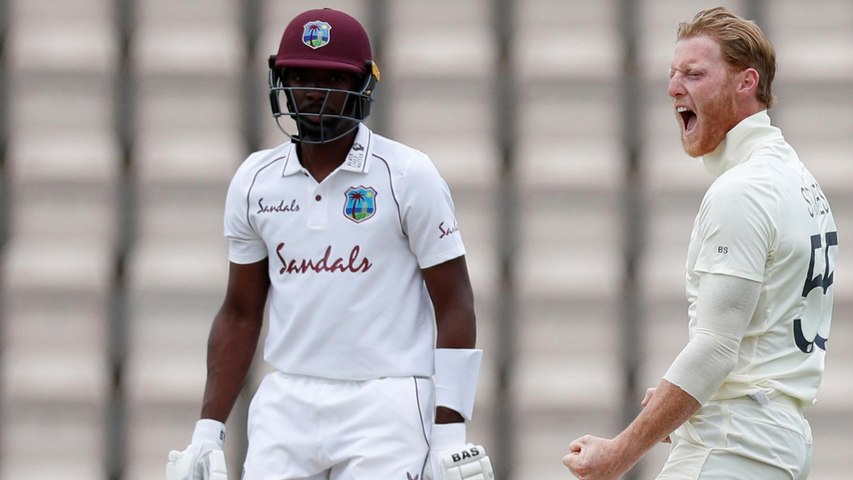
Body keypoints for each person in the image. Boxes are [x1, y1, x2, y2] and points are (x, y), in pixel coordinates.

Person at [165, 8, 493, 480]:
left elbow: (456, 303)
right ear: (281, 81)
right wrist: (207, 430)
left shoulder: (407, 175)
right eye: (300, 76)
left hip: (387, 403)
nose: (313, 91)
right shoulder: (255, 180)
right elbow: (240, 312)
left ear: (362, 85)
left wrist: (449, 435)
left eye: (332, 78)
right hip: (285, 403)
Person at [563, 7, 836, 480]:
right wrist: (678, 404)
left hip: (733, 447)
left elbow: (715, 350)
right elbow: (757, 343)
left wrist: (618, 453)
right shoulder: (798, 180)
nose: (673, 88)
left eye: (694, 74)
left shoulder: (743, 190)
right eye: (672, 74)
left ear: (746, 82)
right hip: (778, 443)